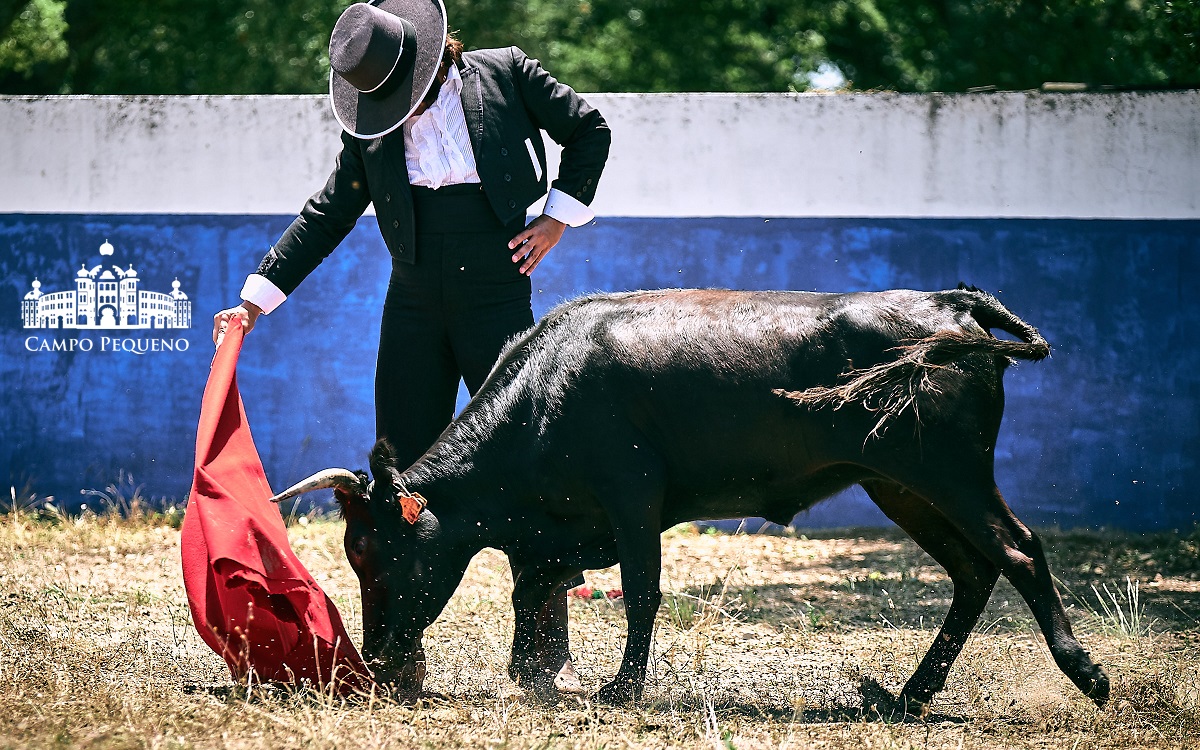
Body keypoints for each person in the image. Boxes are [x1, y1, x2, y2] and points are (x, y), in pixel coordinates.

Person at [212, 0, 609, 695]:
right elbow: (330, 210)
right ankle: (399, 655)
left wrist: (555, 219)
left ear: (432, 64)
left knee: (530, 462)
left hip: (497, 295)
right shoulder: (372, 124)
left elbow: (590, 130)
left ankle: (544, 654)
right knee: (397, 478)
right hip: (416, 306)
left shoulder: (506, 73)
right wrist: (255, 297)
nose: (392, 110)